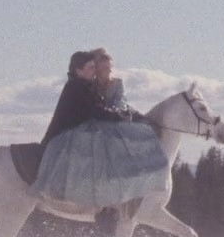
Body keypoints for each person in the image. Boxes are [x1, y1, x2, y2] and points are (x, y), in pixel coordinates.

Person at [31, 49, 172, 209]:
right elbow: (96, 111)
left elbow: (114, 106)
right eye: (91, 67)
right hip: (69, 133)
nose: (95, 71)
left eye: (94, 67)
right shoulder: (78, 86)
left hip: (84, 126)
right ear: (79, 70)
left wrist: (130, 117)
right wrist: (120, 117)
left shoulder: (85, 85)